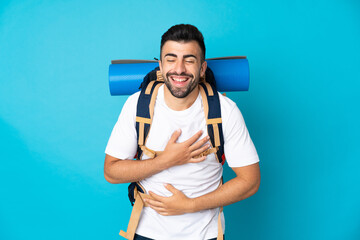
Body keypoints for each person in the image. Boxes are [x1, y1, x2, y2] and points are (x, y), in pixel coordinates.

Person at [104, 24, 260, 240]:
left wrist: (190, 205)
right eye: (171, 59)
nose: (179, 69)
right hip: (146, 232)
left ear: (202, 68)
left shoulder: (225, 111)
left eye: (189, 60)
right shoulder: (137, 106)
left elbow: (250, 181)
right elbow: (111, 172)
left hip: (205, 235)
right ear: (160, 65)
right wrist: (166, 160)